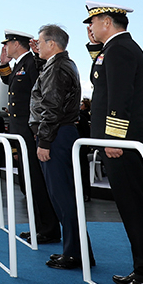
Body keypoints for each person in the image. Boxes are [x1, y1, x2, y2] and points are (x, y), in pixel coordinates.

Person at [84, 2, 143, 284]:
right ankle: (142, 269)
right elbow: (102, 79)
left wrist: (114, 138)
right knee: (131, 209)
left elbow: (120, 96)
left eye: (93, 22)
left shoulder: (121, 49)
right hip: (120, 141)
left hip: (122, 143)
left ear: (107, 21)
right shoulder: (115, 49)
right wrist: (94, 48)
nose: (89, 28)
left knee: (135, 210)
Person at [29, 24, 90, 270]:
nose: (38, 46)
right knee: (63, 197)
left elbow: (51, 108)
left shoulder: (57, 67)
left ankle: (75, 253)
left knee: (62, 197)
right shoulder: (62, 63)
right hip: (61, 133)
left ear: (52, 44)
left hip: (56, 136)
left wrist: (44, 141)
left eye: (41, 43)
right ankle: (76, 250)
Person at [0, 29, 60, 243]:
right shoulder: (20, 66)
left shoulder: (32, 63)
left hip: (30, 133)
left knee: (36, 182)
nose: (5, 47)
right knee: (27, 182)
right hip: (21, 134)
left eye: (8, 43)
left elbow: (41, 95)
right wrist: (3, 64)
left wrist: (39, 133)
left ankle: (48, 229)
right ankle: (38, 226)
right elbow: (11, 84)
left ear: (17, 43)